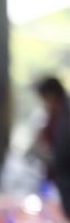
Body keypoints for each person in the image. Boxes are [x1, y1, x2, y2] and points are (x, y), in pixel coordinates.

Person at [33, 76, 70, 213]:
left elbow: (61, 152)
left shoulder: (66, 115)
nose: (45, 105)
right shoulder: (56, 116)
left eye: (45, 99)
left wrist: (46, 154)